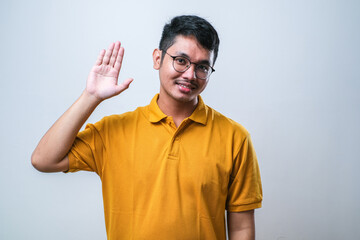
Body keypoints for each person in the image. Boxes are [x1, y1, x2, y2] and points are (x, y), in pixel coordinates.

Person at [32, 15, 262, 240]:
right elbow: (44, 160)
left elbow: (241, 228)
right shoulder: (113, 131)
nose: (190, 75)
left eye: (202, 67)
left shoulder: (235, 138)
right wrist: (90, 97)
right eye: (181, 61)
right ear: (157, 58)